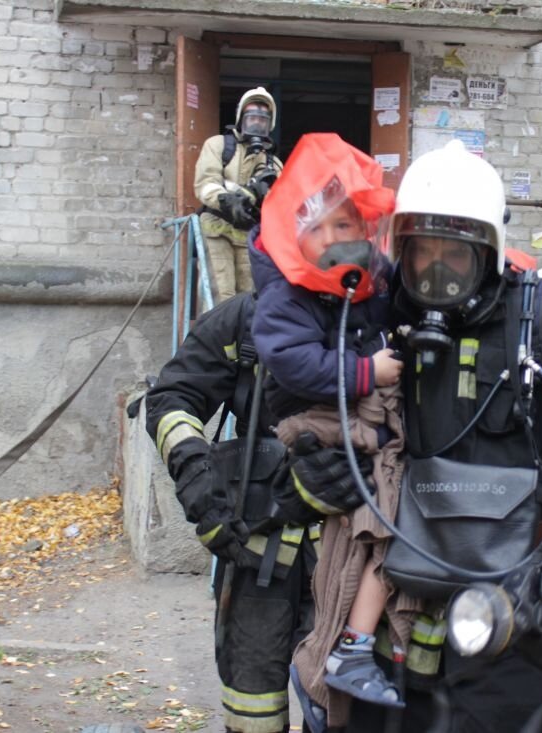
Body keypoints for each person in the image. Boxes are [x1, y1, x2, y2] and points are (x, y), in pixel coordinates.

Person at [270, 139, 542, 732]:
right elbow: (321, 431)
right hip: (389, 637)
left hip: (515, 621)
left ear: (491, 251)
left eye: (455, 253)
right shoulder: (373, 322)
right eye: (420, 249)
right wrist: (315, 477)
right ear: (397, 245)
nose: (435, 270)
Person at [247, 133, 411, 725]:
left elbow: (405, 292)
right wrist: (366, 372)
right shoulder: (285, 296)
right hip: (314, 422)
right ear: (299, 234)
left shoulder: (365, 281)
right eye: (330, 228)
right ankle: (346, 651)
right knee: (386, 510)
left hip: (353, 414)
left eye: (352, 226)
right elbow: (293, 361)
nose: (346, 238)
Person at [144, 290, 321, 733]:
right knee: (252, 699)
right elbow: (172, 398)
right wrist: (197, 477)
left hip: (352, 546)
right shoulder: (244, 320)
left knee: (346, 695)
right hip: (256, 539)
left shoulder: (379, 314)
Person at [194, 86, 284, 303]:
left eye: (262, 119)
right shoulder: (218, 146)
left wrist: (266, 194)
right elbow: (205, 183)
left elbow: (282, 203)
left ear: (269, 124)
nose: (256, 123)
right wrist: (227, 199)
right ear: (240, 117)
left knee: (249, 298)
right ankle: (216, 338)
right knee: (220, 295)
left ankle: (241, 338)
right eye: (251, 116)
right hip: (217, 228)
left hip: (250, 235)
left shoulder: (273, 163)